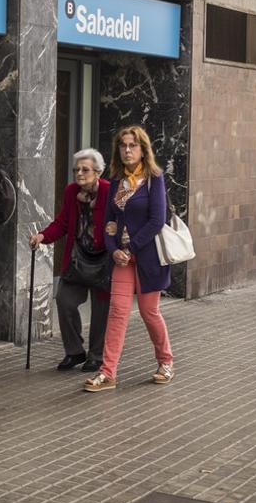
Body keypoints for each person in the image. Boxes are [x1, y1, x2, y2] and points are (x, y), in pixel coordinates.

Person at [84, 126, 174, 392]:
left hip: (147, 258)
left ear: (143, 149)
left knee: (149, 312)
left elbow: (157, 219)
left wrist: (130, 247)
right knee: (117, 312)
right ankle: (107, 372)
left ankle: (166, 361)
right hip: (121, 258)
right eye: (123, 145)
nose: (127, 150)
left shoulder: (154, 178)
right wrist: (113, 249)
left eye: (133, 145)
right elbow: (108, 221)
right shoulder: (116, 181)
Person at [29, 150, 112, 373]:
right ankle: (74, 351)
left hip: (104, 260)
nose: (79, 174)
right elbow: (63, 222)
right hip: (77, 259)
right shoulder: (71, 192)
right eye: (76, 170)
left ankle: (96, 355)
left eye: (85, 170)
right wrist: (43, 236)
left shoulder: (108, 191)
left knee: (101, 310)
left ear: (98, 172)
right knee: (64, 300)